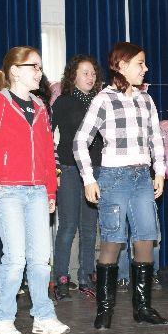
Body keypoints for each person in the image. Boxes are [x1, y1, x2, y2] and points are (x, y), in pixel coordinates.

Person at [0, 46, 69, 334]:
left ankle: (43, 316)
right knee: (15, 258)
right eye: (33, 66)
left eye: (40, 67)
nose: (39, 72)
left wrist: (51, 191)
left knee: (41, 258)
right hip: (8, 190)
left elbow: (47, 152)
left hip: (38, 191)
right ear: (15, 71)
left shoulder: (40, 106)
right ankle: (2, 319)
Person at [73, 41, 168, 330]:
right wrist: (89, 178)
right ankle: (105, 310)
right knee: (112, 242)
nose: (146, 68)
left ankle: (143, 308)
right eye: (140, 63)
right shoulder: (103, 99)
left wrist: (159, 171)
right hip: (113, 179)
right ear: (122, 66)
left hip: (142, 178)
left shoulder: (146, 99)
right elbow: (80, 140)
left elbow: (156, 138)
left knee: (145, 240)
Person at [51, 54, 103, 301]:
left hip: (96, 170)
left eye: (93, 73)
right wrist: (54, 170)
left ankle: (86, 277)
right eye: (85, 73)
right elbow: (49, 137)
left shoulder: (101, 101)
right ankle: (61, 278)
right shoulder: (63, 102)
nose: (90, 77)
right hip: (70, 169)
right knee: (68, 226)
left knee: (90, 228)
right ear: (73, 76)